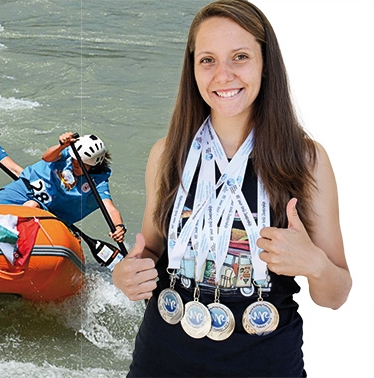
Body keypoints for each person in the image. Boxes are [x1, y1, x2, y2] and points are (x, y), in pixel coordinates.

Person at [110, 1, 352, 376]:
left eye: (239, 56)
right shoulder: (167, 154)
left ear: (265, 63)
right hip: (161, 357)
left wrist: (315, 265)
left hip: (265, 362)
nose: (223, 75)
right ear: (192, 68)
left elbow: (336, 295)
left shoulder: (306, 160)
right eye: (207, 60)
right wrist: (129, 272)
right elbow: (152, 249)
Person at [0, 132, 126, 243]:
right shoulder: (69, 151)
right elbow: (47, 157)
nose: (74, 164)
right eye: (74, 161)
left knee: (30, 206)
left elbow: (109, 208)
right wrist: (62, 145)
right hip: (26, 187)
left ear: (93, 165)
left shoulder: (98, 182)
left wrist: (119, 227)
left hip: (44, 206)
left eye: (80, 164)